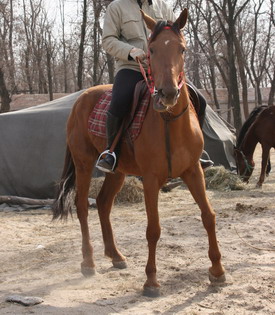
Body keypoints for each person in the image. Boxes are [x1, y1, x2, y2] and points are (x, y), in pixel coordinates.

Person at [96, 0, 213, 173]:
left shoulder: (163, 6)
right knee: (120, 101)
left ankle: (196, 152)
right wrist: (130, 51)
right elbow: (108, 40)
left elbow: (177, 35)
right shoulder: (117, 7)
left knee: (200, 101)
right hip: (133, 67)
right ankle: (111, 152)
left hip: (164, 70)